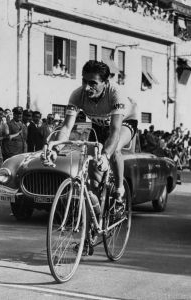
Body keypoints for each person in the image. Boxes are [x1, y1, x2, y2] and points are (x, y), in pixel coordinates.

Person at [45, 60, 138, 214]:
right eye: (84, 81)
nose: (87, 87)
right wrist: (56, 147)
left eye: (93, 83)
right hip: (99, 122)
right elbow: (67, 127)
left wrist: (105, 155)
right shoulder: (77, 95)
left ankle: (119, 191)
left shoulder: (115, 94)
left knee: (113, 150)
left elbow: (114, 131)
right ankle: (94, 219)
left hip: (124, 121)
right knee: (92, 177)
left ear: (105, 83)